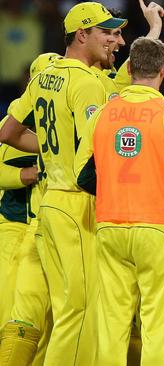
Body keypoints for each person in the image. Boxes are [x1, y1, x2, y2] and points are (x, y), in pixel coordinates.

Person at [0, 3, 126, 365]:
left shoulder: (43, 77)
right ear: (81, 34)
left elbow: (7, 132)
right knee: (79, 309)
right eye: (106, 32)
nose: (112, 40)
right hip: (78, 203)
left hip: (50, 202)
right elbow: (97, 154)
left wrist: (56, 147)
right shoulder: (87, 83)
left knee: (63, 310)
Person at [74, 37, 164, 366]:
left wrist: (116, 191)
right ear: (163, 71)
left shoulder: (101, 114)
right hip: (158, 229)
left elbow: (81, 173)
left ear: (128, 69)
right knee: (158, 326)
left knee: (112, 324)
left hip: (110, 227)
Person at [0, 53, 59, 366]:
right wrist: (24, 175)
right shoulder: (12, 130)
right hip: (13, 230)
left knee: (46, 324)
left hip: (46, 231)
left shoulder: (60, 125)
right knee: (12, 319)